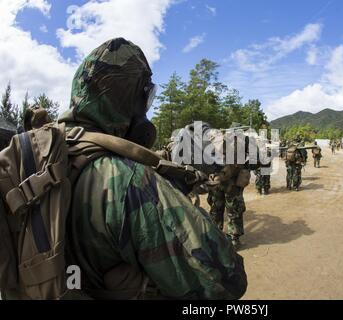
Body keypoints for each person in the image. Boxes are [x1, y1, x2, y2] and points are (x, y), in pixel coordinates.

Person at [58, 38, 247, 299]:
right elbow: (228, 279)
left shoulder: (49, 155)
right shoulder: (130, 180)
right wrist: (178, 201)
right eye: (144, 97)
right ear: (126, 97)